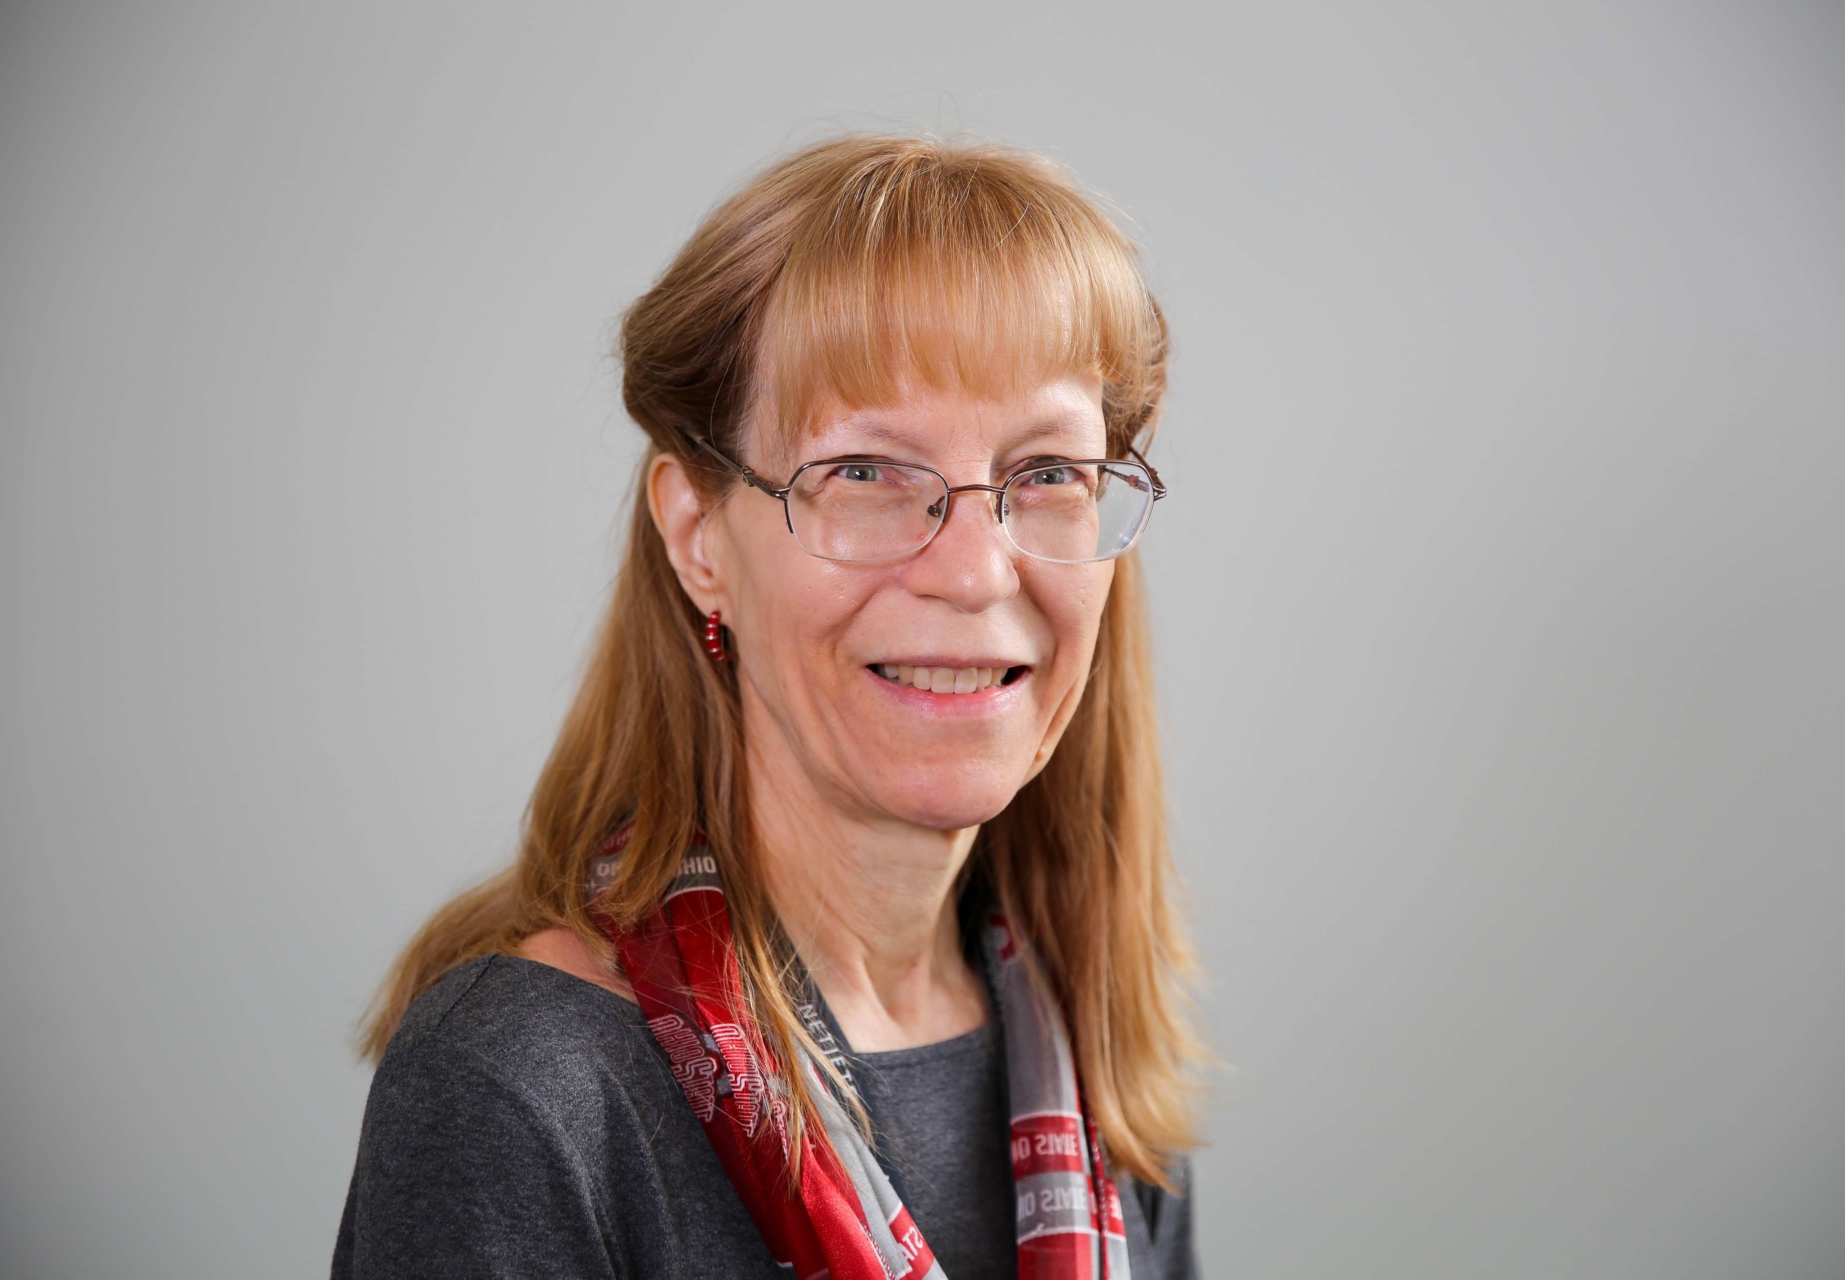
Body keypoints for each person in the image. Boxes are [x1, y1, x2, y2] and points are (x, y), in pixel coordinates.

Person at [332, 132, 1205, 1279]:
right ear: (698, 536)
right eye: (865, 471)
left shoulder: (1092, 1062)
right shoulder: (523, 1087)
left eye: (1046, 473)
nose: (977, 570)